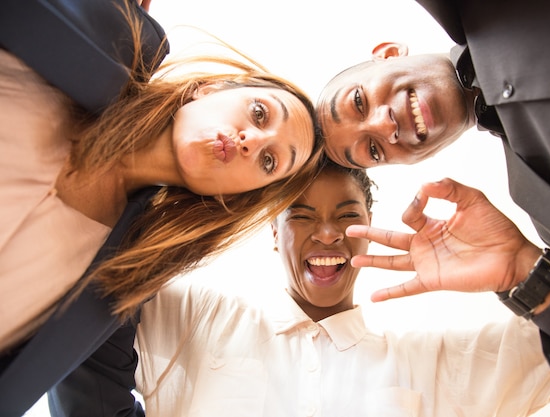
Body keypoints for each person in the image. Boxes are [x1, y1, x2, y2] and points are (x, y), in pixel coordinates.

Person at [0, 1, 323, 413]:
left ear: (238, 195)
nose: (252, 141)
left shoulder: (118, 280)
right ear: (211, 88)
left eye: (269, 162)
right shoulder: (85, 46)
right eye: (259, 114)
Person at [316, 0, 550, 407]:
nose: (384, 126)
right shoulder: (549, 214)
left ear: (388, 53)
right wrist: (524, 273)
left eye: (358, 101)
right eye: (373, 150)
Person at [132, 160, 550, 416]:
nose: (327, 234)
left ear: (369, 224)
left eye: (346, 215)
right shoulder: (194, 316)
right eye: (301, 215)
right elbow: (94, 270)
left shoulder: (433, 363)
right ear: (271, 229)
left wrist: (518, 266)